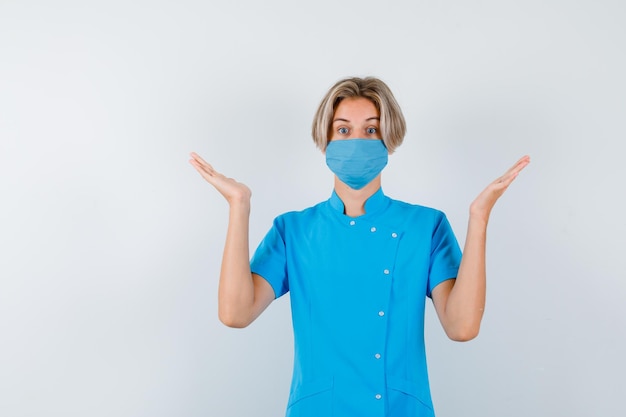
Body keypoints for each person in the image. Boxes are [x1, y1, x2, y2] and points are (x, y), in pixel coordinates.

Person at [189, 77, 530, 417]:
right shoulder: (293, 230)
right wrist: (239, 205)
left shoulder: (426, 227)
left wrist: (479, 217)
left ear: (389, 140)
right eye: (343, 130)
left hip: (400, 409)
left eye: (371, 130)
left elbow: (462, 327)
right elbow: (235, 313)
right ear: (325, 139)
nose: (356, 142)